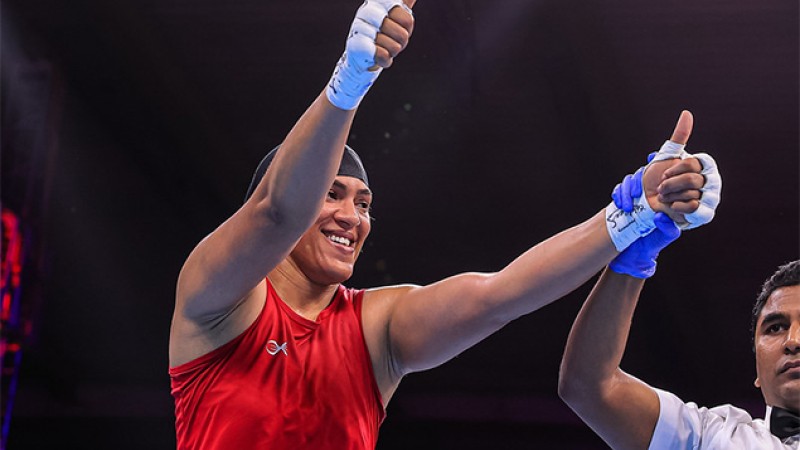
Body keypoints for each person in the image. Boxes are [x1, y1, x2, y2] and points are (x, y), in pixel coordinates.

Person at [167, 1, 722, 449]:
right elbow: (278, 212)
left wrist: (630, 215)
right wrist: (350, 81)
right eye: (332, 195)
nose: (351, 217)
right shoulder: (216, 300)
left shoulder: (374, 328)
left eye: (363, 204)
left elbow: (502, 295)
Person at [558, 192, 799, 447]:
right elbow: (589, 387)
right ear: (757, 371)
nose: (793, 341)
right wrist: (630, 263)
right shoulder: (709, 436)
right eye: (775, 328)